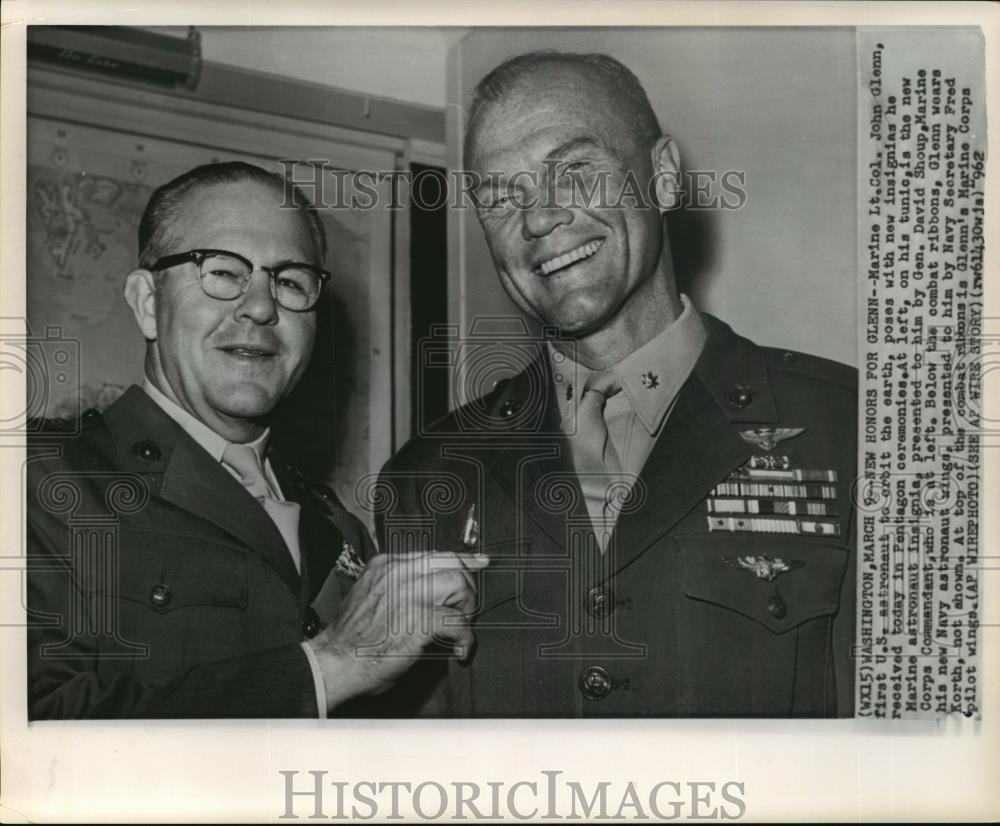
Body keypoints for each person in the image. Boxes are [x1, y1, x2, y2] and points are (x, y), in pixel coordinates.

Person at [378, 52, 857, 717]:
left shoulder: (852, 431)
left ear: (662, 176)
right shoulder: (425, 475)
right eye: (499, 194)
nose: (538, 218)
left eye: (573, 171)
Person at [26, 161, 486, 719]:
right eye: (222, 272)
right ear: (148, 302)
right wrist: (332, 665)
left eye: (290, 282)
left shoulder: (338, 527)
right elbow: (33, 740)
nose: (262, 307)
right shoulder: (41, 477)